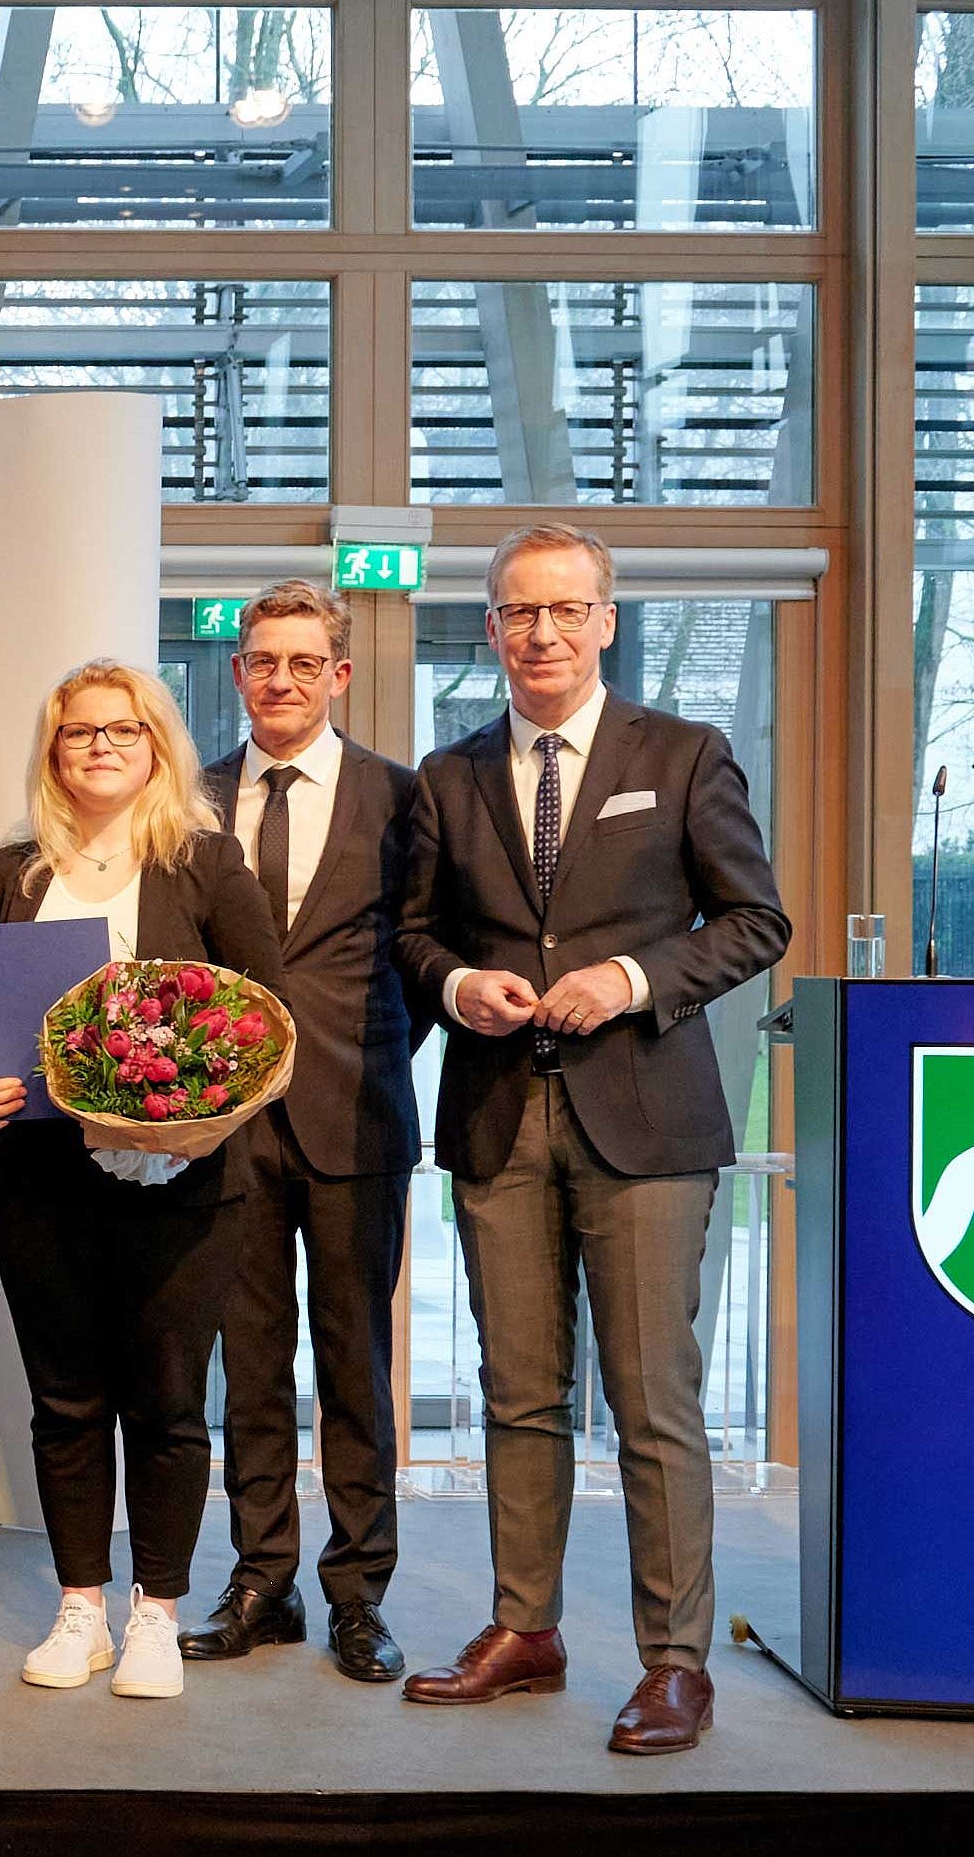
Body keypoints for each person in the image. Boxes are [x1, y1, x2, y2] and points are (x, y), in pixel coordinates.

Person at [393, 524, 788, 1755]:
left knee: (653, 1402)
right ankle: (528, 1628)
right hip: (500, 1118)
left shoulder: (683, 754)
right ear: (493, 627)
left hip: (649, 1123)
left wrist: (627, 976)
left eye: (566, 610)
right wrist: (460, 990)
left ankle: (675, 1662)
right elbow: (412, 935)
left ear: (606, 620)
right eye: (519, 613)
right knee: (519, 1395)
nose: (543, 633)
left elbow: (754, 921)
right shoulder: (447, 777)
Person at [0, 659, 283, 1702]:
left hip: (183, 1187)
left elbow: (263, 1023)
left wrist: (190, 1103)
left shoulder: (206, 864)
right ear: (52, 755)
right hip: (43, 1175)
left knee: (170, 1400)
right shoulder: (16, 869)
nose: (99, 747)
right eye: (77, 733)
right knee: (64, 1400)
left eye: (121, 730)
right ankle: (81, 1608)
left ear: (157, 746)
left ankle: (157, 1611)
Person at [181, 582, 423, 1683]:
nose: (280, 679)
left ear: (340, 673)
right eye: (261, 661)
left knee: (357, 1369)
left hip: (353, 1115)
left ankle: (359, 1594)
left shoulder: (404, 798)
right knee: (252, 1367)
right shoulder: (188, 799)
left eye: (302, 662)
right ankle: (261, 1582)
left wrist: (361, 1055)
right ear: (239, 673)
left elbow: (428, 955)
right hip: (227, 1126)